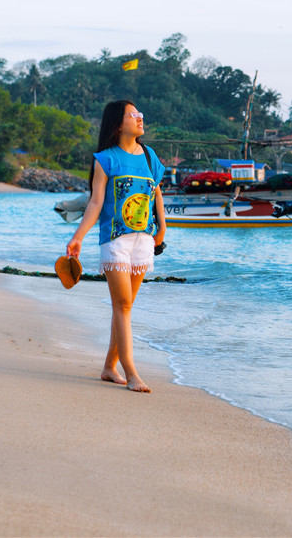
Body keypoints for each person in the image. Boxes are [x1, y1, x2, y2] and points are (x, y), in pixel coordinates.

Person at [66, 100, 166, 393]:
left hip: (144, 241)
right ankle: (131, 372)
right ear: (118, 123)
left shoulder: (149, 157)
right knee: (122, 305)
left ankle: (109, 368)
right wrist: (78, 236)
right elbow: (95, 203)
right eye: (133, 115)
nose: (140, 118)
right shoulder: (105, 159)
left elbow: (156, 192)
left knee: (125, 307)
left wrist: (163, 226)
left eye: (140, 114)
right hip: (115, 241)